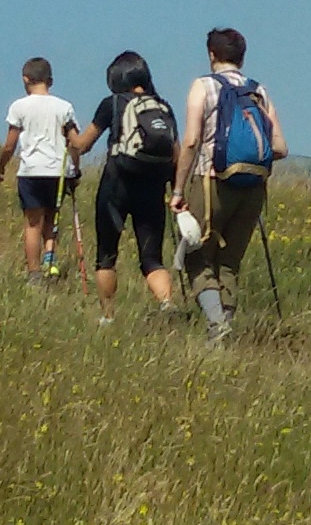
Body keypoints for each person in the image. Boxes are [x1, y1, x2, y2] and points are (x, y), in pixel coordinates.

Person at [171, 26, 287, 343]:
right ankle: (223, 331)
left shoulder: (203, 87)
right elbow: (280, 147)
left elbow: (192, 141)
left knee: (197, 257)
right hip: (253, 187)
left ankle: (216, 325)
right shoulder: (258, 91)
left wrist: (178, 190)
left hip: (210, 182)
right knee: (229, 263)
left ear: (211, 55)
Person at [69, 51, 179, 325]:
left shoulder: (113, 104)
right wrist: (176, 190)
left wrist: (69, 132)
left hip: (116, 185)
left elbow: (82, 145)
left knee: (106, 255)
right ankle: (167, 304)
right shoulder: (162, 106)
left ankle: (107, 317)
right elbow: (176, 153)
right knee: (152, 257)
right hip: (153, 186)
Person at [0, 57, 79, 282]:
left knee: (33, 224)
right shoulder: (64, 107)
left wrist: (1, 168)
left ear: (25, 79)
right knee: (52, 220)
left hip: (31, 171)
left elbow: (9, 145)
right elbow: (75, 143)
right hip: (58, 172)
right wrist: (75, 169)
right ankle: (50, 261)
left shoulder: (19, 107)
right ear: (50, 80)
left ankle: (34, 273)